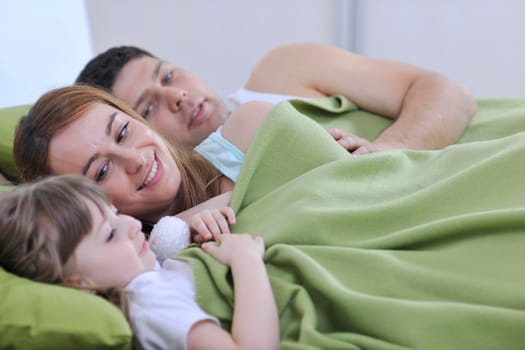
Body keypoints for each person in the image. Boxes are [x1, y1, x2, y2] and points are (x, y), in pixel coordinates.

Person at [0, 174, 279, 349]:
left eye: (116, 213)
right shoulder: (149, 302)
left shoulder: (145, 271)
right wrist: (246, 260)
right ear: (79, 283)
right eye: (110, 234)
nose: (132, 224)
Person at [76, 43, 477, 155]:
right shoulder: (208, 212)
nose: (177, 95)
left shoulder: (281, 71)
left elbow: (449, 94)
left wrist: (387, 151)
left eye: (168, 75)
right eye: (148, 107)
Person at [14, 84, 270, 240]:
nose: (135, 159)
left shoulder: (246, 129)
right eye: (102, 170)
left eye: (123, 133)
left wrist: (177, 225)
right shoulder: (154, 271)